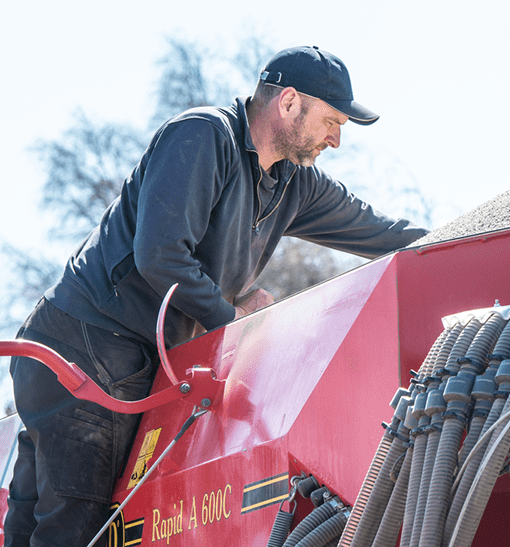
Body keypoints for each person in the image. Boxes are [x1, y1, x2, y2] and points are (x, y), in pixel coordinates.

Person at [3, 46, 429, 547]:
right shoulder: (203, 135)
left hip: (114, 357)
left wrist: (461, 237)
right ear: (289, 102)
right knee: (73, 530)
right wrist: (232, 325)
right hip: (87, 348)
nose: (336, 139)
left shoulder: (294, 184)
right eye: (331, 120)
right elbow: (160, 255)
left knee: (35, 527)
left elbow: (378, 231)